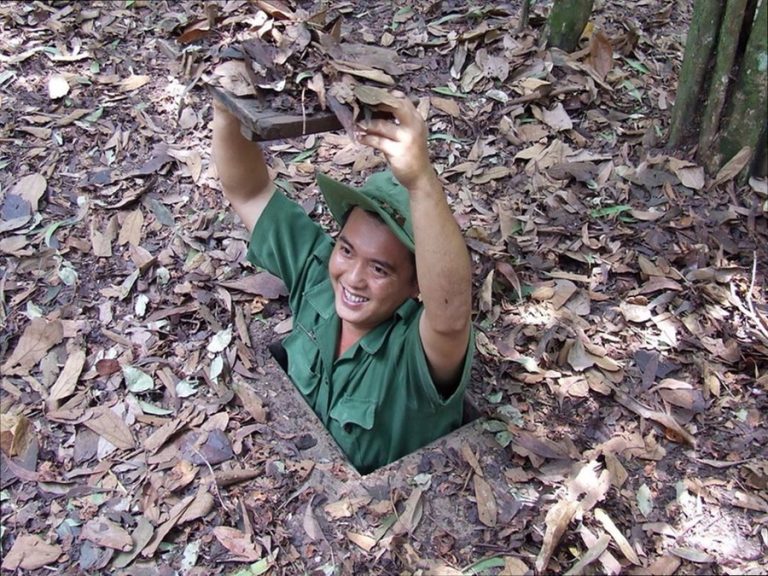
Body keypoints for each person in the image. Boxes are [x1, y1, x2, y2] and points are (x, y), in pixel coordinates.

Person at [211, 91, 474, 473]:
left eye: (380, 270)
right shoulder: (317, 274)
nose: (352, 278)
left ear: (416, 285)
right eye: (347, 250)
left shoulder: (416, 356)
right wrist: (227, 109)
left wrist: (421, 182)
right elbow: (249, 192)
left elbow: (450, 317)